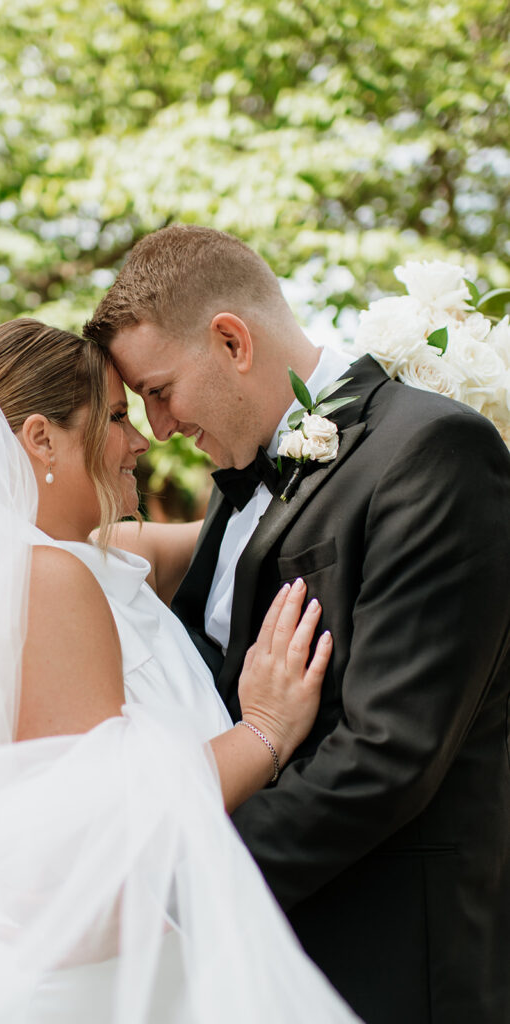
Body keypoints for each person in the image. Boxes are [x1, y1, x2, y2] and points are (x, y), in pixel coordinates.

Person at [0, 319, 360, 1024]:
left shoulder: (66, 559)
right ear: (42, 439)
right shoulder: (45, 578)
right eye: (115, 416)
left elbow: (240, 535)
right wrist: (265, 730)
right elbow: (114, 821)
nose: (142, 438)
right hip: (76, 991)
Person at [83, 224, 510, 1024]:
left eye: (159, 390)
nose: (160, 427)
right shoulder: (234, 482)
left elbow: (389, 752)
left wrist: (184, 885)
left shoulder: (432, 451)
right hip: (265, 962)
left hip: (389, 960)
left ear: (231, 341)